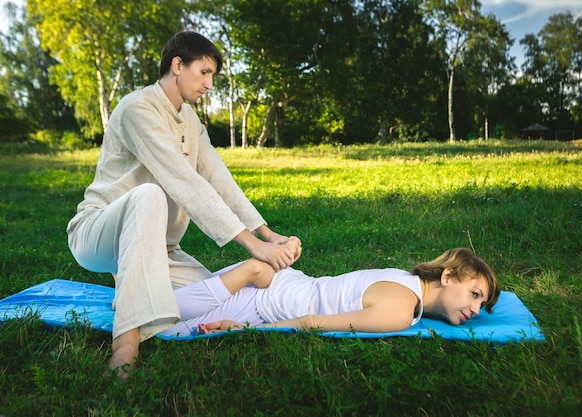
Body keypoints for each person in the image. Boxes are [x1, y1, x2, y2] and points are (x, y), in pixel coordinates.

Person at [66, 31, 301, 379]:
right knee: (150, 194)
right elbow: (182, 179)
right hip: (98, 232)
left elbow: (220, 181)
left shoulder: (191, 121)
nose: (209, 83)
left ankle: (135, 291)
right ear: (178, 65)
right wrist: (252, 247)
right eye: (204, 72)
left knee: (210, 295)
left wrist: (267, 234)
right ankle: (125, 346)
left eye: (213, 76)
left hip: (160, 249)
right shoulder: (137, 107)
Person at [159, 247, 500, 338]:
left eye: (481, 304)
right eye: (474, 294)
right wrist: (244, 330)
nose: (475, 307)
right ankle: (252, 268)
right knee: (156, 324)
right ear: (448, 276)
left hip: (284, 284)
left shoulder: (404, 279)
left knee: (162, 304)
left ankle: (137, 294)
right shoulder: (400, 309)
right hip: (265, 299)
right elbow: (310, 322)